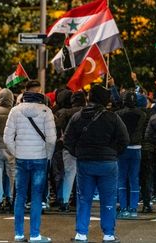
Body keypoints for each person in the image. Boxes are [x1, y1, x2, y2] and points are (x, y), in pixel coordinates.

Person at [64, 85, 129, 243]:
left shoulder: (78, 117)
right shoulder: (112, 117)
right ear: (105, 100)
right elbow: (124, 140)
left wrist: (78, 153)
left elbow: (67, 140)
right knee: (108, 198)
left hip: (85, 162)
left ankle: (81, 233)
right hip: (108, 163)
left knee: (84, 198)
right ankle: (108, 234)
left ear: (89, 98)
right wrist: (113, 153)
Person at [4, 81, 56, 243]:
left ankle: (18, 233)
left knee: (20, 195)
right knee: (36, 196)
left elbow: (7, 138)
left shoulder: (15, 111)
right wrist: (47, 155)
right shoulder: (46, 111)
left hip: (21, 159)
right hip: (39, 158)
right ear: (40, 96)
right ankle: (35, 234)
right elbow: (52, 139)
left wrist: (16, 151)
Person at [115, 91, 147, 219]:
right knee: (134, 179)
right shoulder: (143, 115)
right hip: (136, 149)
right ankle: (133, 208)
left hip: (122, 149)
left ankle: (123, 208)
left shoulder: (118, 114)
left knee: (121, 178)